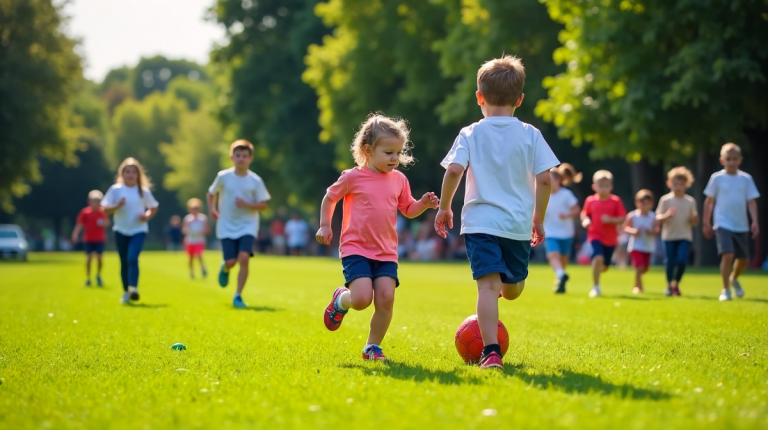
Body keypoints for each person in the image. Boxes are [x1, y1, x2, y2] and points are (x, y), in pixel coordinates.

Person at [434, 55, 559, 370]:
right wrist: (539, 219)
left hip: (479, 223)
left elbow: (453, 171)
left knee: (498, 288)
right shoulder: (530, 134)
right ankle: (492, 351)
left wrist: (445, 207)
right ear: (520, 99)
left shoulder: (471, 133)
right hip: (516, 224)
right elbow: (546, 178)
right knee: (504, 288)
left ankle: (490, 351)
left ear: (479, 98)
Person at [317, 114, 439, 362]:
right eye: (388, 152)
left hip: (386, 252)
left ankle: (372, 346)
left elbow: (408, 209)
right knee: (362, 299)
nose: (395, 158)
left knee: (386, 298)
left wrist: (423, 205)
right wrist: (324, 226)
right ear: (368, 150)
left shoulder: (399, 180)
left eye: (398, 152)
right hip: (356, 248)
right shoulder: (352, 177)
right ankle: (341, 300)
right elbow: (330, 197)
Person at [208, 140, 271, 308]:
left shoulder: (255, 181)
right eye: (238, 156)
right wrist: (212, 210)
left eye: (244, 156)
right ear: (231, 157)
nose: (241, 159)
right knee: (231, 261)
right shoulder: (223, 177)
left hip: (248, 225)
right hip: (226, 224)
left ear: (250, 158)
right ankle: (225, 268)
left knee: (244, 258)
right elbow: (211, 193)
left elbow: (263, 205)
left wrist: (247, 204)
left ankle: (238, 295)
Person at [703, 143, 760, 301]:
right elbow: (709, 201)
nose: (732, 162)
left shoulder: (746, 179)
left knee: (744, 260)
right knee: (727, 254)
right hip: (722, 223)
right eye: (728, 159)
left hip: (741, 224)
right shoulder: (717, 178)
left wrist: (755, 222)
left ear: (740, 160)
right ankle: (725, 290)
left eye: (735, 159)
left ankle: (733, 278)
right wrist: (706, 222)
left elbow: (751, 202)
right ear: (722, 160)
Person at [101, 157, 159, 304]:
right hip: (120, 230)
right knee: (124, 262)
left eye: (133, 172)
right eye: (127, 172)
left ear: (138, 174)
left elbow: (153, 207)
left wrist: (146, 217)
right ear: (122, 173)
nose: (130, 175)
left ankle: (133, 288)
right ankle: (126, 292)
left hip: (138, 230)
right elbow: (105, 209)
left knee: (132, 258)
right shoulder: (116, 190)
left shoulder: (143, 191)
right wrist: (116, 205)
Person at [581, 170, 627, 298]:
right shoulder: (590, 200)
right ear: (594, 187)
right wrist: (585, 220)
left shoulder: (616, 201)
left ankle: (597, 267)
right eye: (600, 186)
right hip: (595, 235)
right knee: (598, 258)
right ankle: (596, 287)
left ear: (611, 187)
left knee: (605, 267)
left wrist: (611, 220)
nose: (603, 189)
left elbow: (623, 218)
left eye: (606, 186)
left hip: (611, 239)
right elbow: (585, 213)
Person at [657, 166, 699, 296]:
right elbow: (658, 217)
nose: (678, 187)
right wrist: (666, 215)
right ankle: (669, 285)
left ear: (686, 185)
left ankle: (677, 283)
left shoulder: (690, 201)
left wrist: (694, 219)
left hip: (684, 236)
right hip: (669, 236)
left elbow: (695, 222)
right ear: (669, 184)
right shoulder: (665, 200)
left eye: (681, 184)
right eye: (675, 184)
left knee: (681, 260)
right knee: (669, 262)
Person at [544, 163, 582, 294]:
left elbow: (576, 210)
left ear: (558, 180)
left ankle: (560, 278)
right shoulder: (544, 195)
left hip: (566, 233)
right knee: (552, 255)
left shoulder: (566, 194)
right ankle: (560, 275)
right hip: (550, 232)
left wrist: (567, 215)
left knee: (563, 260)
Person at [71, 190, 110, 287]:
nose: (95, 203)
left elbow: (107, 223)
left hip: (100, 239)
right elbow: (80, 224)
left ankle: (98, 275)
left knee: (99, 258)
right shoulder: (85, 212)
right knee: (88, 259)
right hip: (88, 239)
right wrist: (75, 234)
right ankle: (88, 278)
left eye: (97, 201)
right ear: (89, 201)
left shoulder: (103, 212)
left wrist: (104, 223)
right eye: (93, 200)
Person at [623, 190, 659, 294]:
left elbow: (657, 229)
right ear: (637, 203)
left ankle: (636, 283)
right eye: (642, 203)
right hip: (635, 245)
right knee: (639, 266)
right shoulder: (632, 215)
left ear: (651, 204)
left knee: (645, 268)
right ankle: (638, 286)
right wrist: (633, 231)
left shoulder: (653, 216)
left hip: (648, 246)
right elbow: (625, 228)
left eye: (648, 203)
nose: (645, 206)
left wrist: (651, 232)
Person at [183, 198, 210, 279]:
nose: (194, 210)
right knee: (191, 257)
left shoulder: (203, 218)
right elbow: (184, 229)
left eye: (196, 208)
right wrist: (187, 231)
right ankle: (192, 272)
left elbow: (207, 229)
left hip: (200, 240)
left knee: (199, 254)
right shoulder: (187, 219)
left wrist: (201, 232)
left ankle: (203, 268)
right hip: (190, 240)